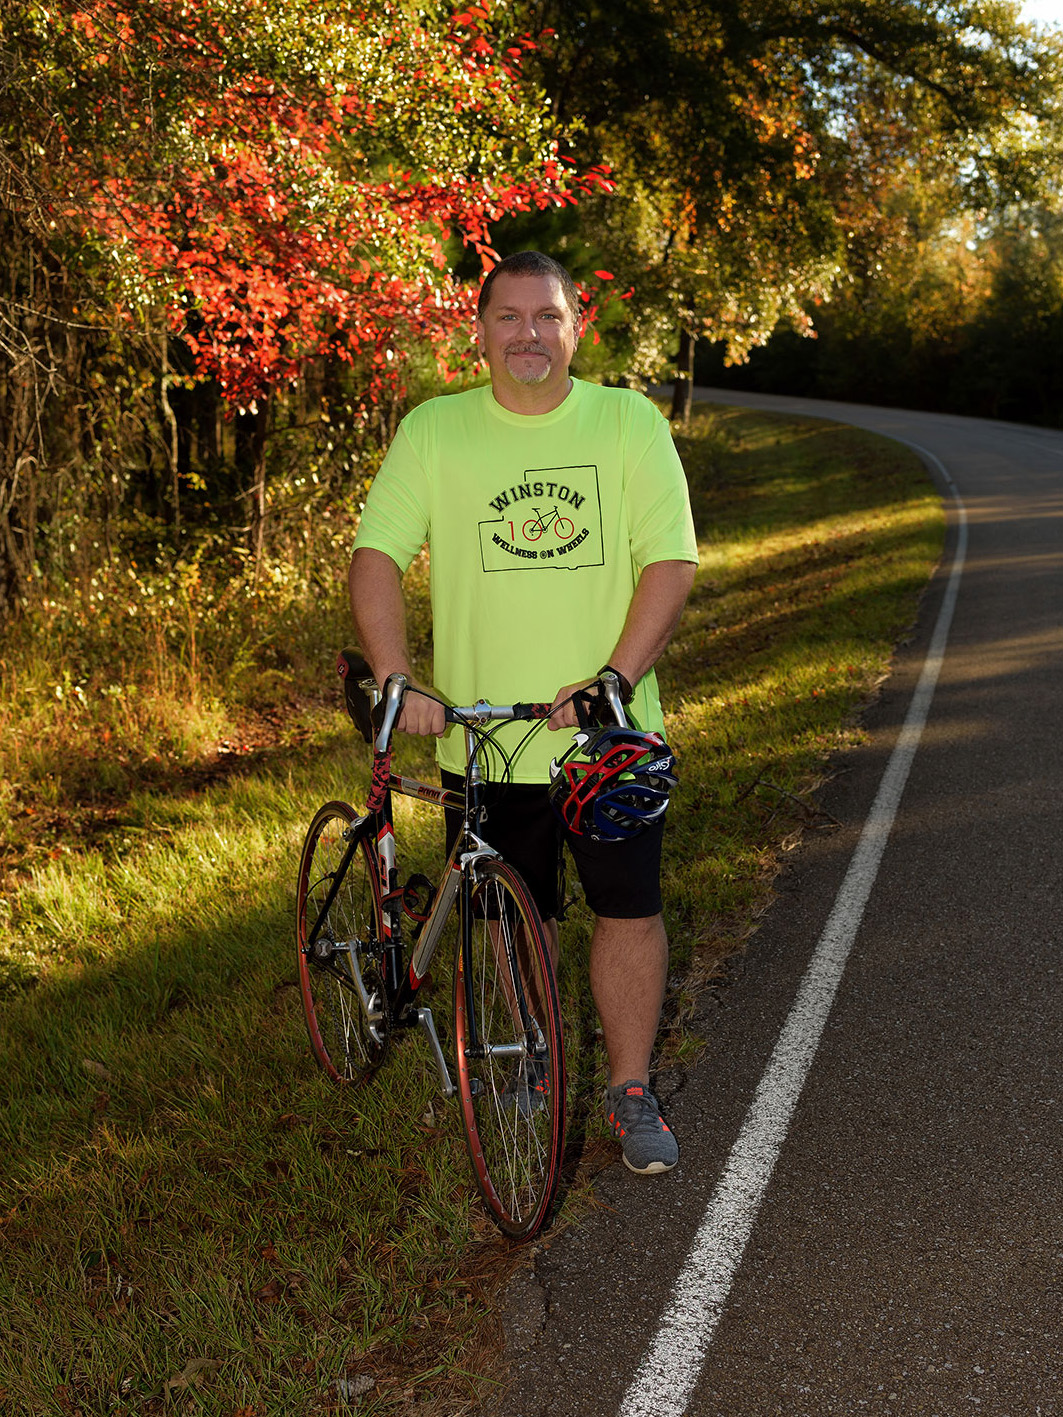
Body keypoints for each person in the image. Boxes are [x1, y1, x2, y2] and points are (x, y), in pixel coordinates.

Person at [348, 250, 697, 1174]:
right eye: (509, 317)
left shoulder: (628, 424)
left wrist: (612, 678)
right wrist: (396, 676)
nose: (528, 335)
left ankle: (629, 1089)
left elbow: (670, 562)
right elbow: (376, 555)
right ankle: (538, 1063)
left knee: (627, 908)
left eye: (546, 317)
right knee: (516, 917)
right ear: (480, 331)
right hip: (486, 737)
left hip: (608, 739)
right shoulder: (436, 431)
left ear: (575, 327)